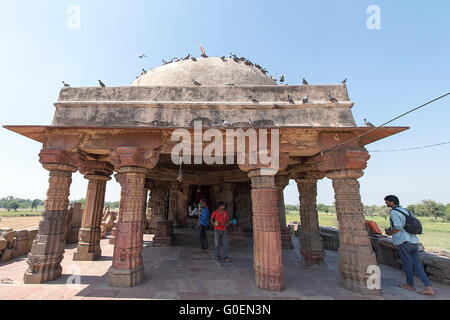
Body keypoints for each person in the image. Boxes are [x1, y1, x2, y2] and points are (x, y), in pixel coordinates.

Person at [384, 195, 435, 295]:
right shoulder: (405, 210)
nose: (386, 204)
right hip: (413, 241)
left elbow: (398, 227)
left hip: (403, 242)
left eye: (386, 202)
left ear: (392, 202)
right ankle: (427, 286)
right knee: (415, 263)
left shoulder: (393, 212)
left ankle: (411, 285)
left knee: (407, 263)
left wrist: (389, 232)